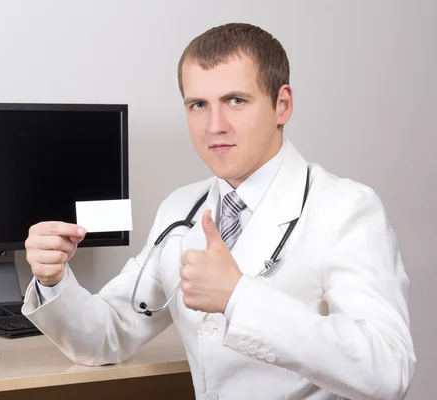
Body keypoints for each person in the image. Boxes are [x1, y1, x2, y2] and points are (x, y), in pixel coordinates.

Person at [22, 22, 416, 399]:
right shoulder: (181, 208)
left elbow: (388, 371)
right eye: (198, 105)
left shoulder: (345, 208)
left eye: (236, 101)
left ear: (282, 104)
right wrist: (53, 280)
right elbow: (106, 338)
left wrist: (239, 297)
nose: (215, 125)